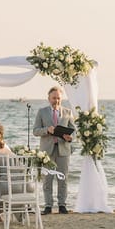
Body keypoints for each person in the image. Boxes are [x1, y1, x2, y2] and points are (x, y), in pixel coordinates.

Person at [33, 86, 75, 215]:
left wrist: (70, 138)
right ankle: (48, 206)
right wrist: (47, 130)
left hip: (63, 150)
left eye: (58, 98)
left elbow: (74, 131)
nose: (56, 100)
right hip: (47, 151)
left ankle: (62, 205)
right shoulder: (42, 112)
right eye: (54, 98)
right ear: (48, 98)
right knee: (47, 179)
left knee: (63, 179)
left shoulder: (67, 112)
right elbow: (35, 131)